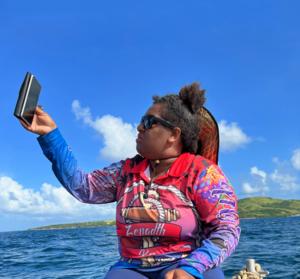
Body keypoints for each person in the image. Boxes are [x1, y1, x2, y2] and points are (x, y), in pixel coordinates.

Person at [20, 82, 240, 279]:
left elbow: (227, 229)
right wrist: (50, 134)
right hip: (132, 267)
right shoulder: (125, 171)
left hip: (192, 263)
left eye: (148, 122)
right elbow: (83, 188)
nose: (139, 127)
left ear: (173, 134)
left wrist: (193, 266)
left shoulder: (202, 172)